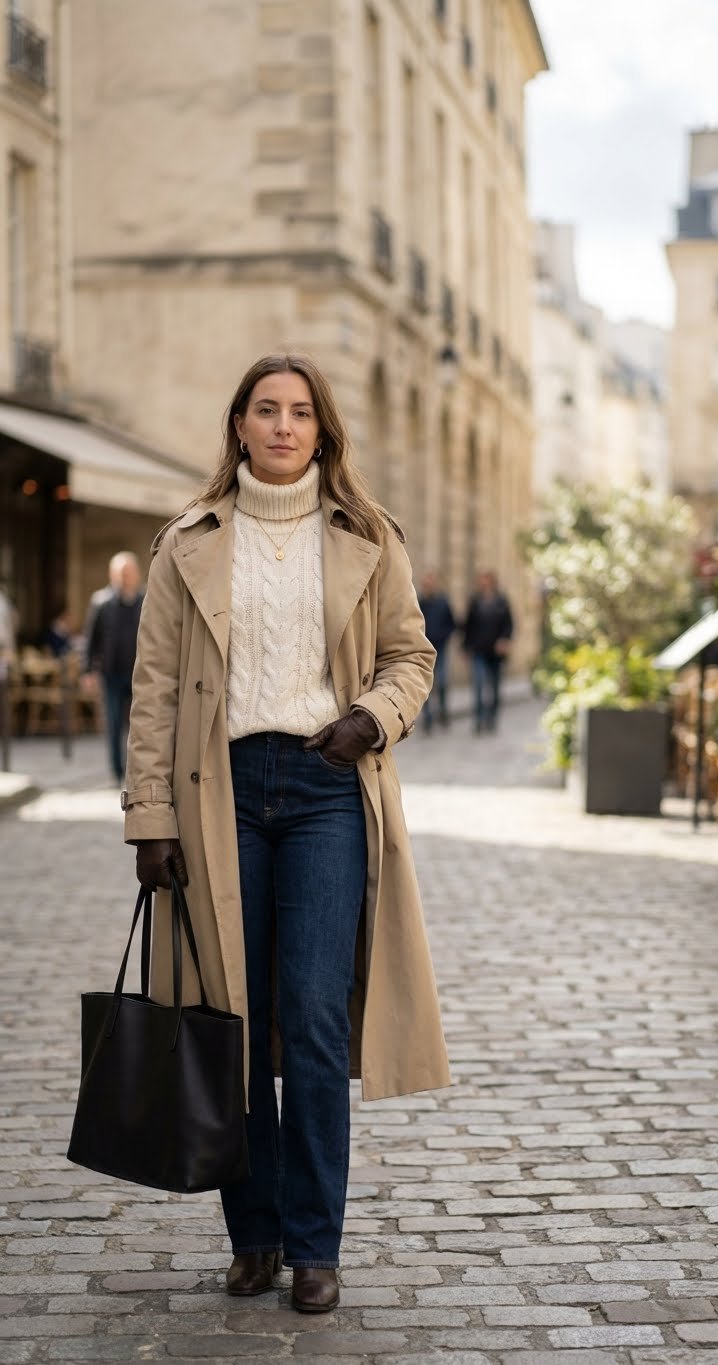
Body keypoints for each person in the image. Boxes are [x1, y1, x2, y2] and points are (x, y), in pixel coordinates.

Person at [122, 353, 450, 1314]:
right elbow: (151, 691)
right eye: (265, 409)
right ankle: (253, 1234)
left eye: (299, 412)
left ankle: (315, 1244)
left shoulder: (365, 534)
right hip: (218, 791)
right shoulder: (187, 541)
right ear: (238, 426)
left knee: (308, 1016)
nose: (281, 425)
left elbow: (410, 655)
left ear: (321, 430)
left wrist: (371, 719)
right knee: (234, 1022)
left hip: (324, 787)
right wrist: (151, 818)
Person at [83, 552, 144, 784]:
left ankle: (136, 771)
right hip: (110, 674)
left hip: (140, 673)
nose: (125, 578)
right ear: (112, 575)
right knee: (113, 723)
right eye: (121, 573)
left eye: (128, 573)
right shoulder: (101, 601)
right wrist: (87, 670)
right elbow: (91, 639)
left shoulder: (146, 600)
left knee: (140, 724)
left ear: (137, 575)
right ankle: (116, 772)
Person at [463, 570, 514, 732]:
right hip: (479, 650)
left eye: (486, 580)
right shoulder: (475, 601)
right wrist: (466, 646)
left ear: (492, 582)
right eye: (481, 580)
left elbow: (509, 625)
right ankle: (478, 720)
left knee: (495, 688)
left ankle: (492, 719)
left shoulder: (501, 601)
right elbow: (468, 625)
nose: (483, 583)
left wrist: (504, 640)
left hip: (496, 653)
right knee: (478, 685)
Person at [418, 571, 456, 732]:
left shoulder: (442, 602)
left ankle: (442, 713)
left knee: (441, 682)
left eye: (430, 583)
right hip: (422, 650)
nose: (428, 586)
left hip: (440, 649)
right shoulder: (418, 602)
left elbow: (451, 624)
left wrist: (443, 637)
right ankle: (427, 718)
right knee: (424, 685)